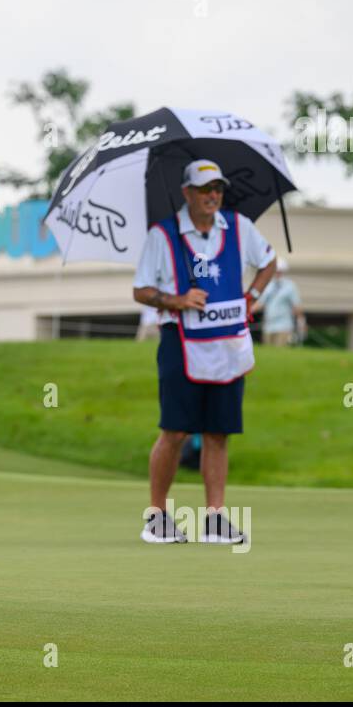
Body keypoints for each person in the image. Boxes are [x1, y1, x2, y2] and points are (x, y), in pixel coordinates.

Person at [131, 159, 276, 545]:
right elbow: (142, 289)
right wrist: (178, 299)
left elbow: (269, 261)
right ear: (187, 193)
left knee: (218, 432)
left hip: (228, 342)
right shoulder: (163, 235)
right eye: (204, 188)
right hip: (181, 340)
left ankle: (214, 518)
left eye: (218, 189)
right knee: (175, 430)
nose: (213, 195)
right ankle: (157, 516)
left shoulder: (240, 227)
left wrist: (253, 296)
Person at [257, 257, 305, 346]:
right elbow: (260, 304)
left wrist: (301, 322)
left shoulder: (290, 286)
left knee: (280, 350)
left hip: (284, 326)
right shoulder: (268, 285)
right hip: (268, 325)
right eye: (276, 271)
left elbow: (296, 306)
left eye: (280, 271)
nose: (277, 274)